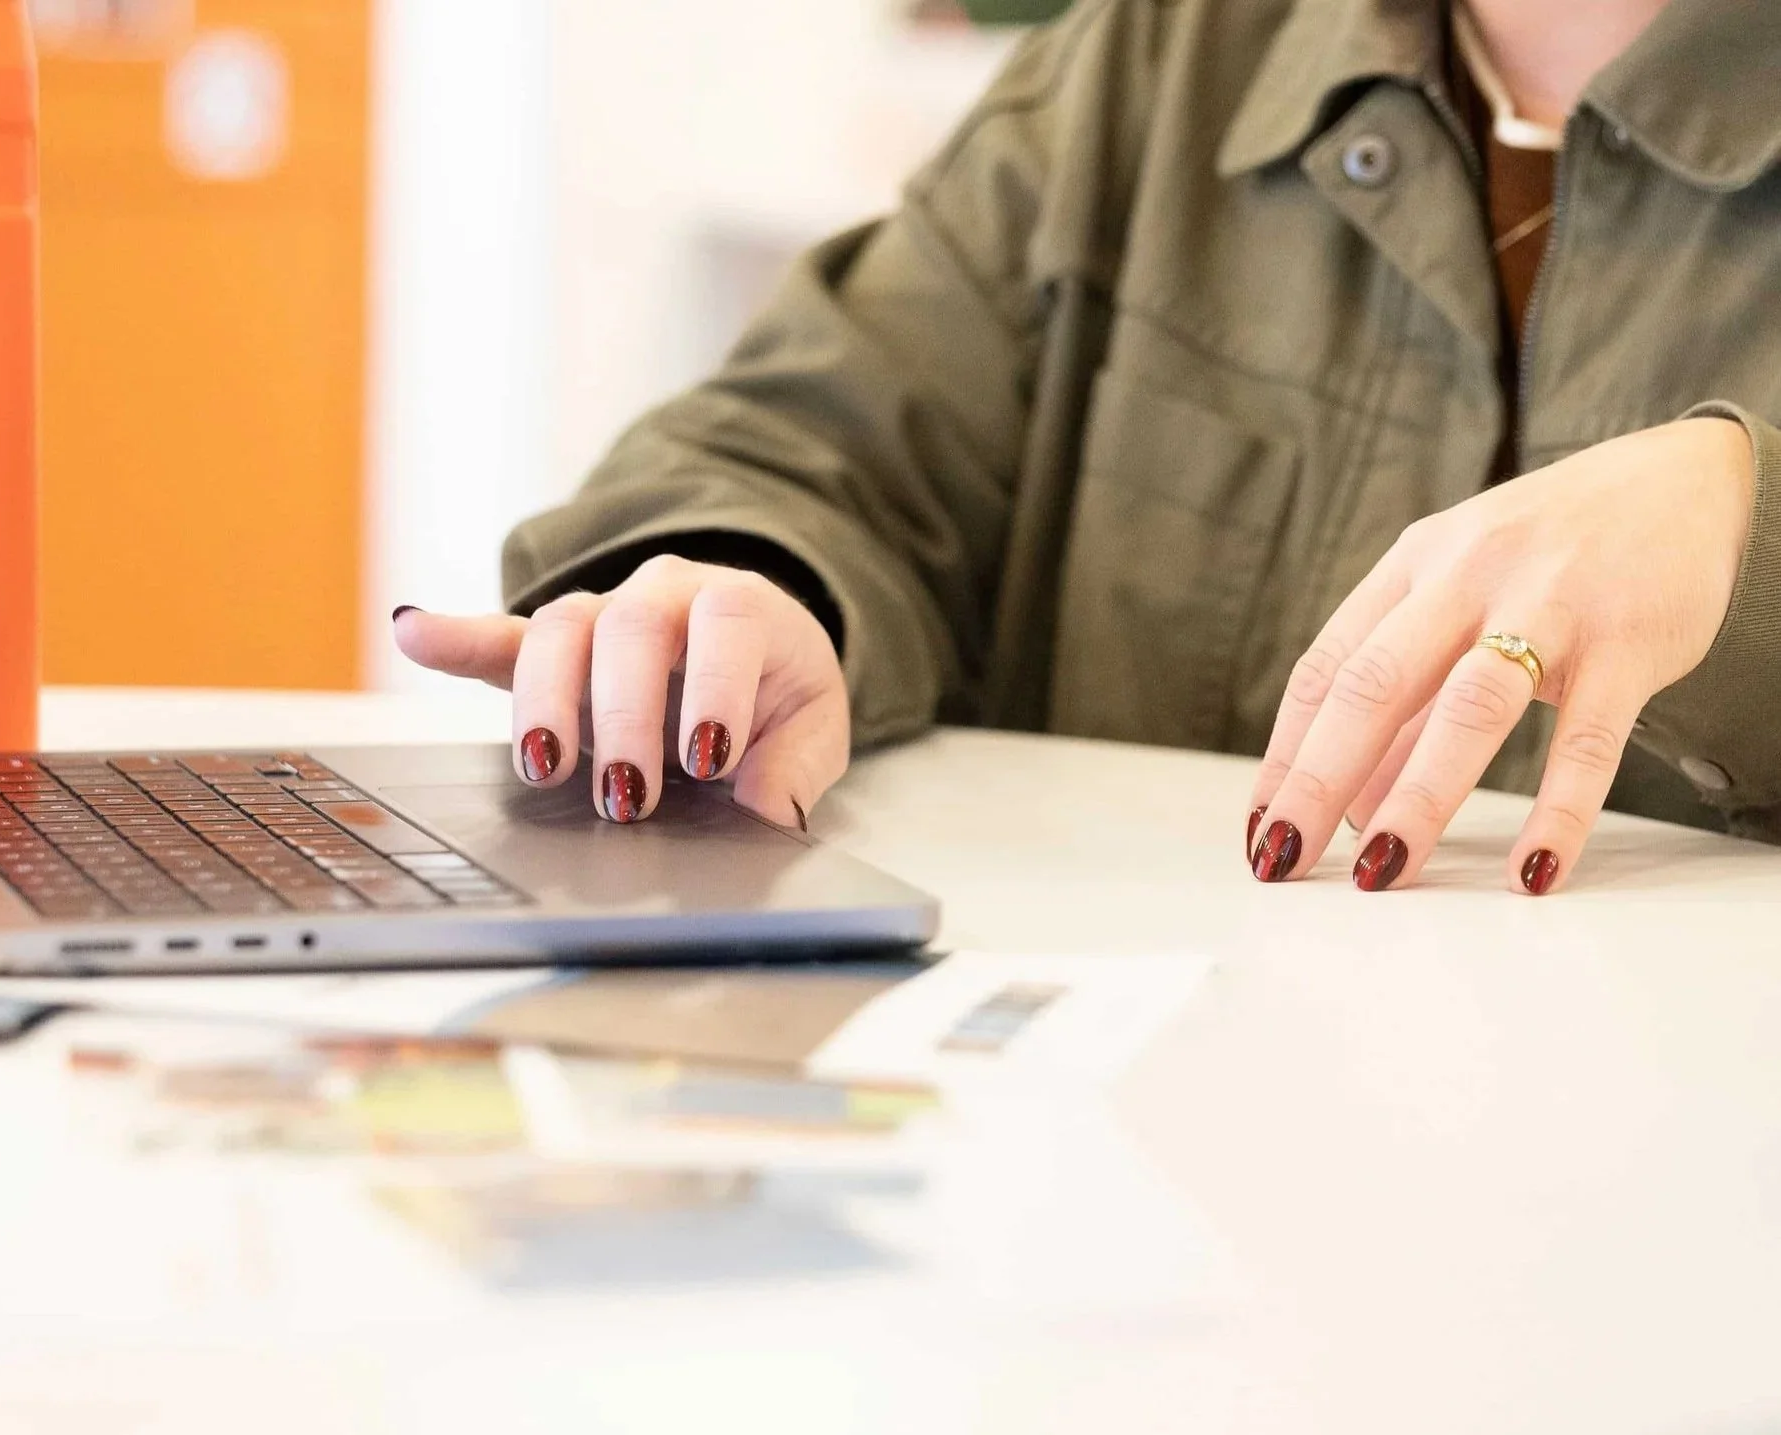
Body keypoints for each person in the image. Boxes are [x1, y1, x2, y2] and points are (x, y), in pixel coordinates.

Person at [393, 0, 1781, 896]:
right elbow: (810, 440)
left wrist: (1745, 519)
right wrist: (753, 592)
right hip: (1152, 1186)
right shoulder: (1158, 58)